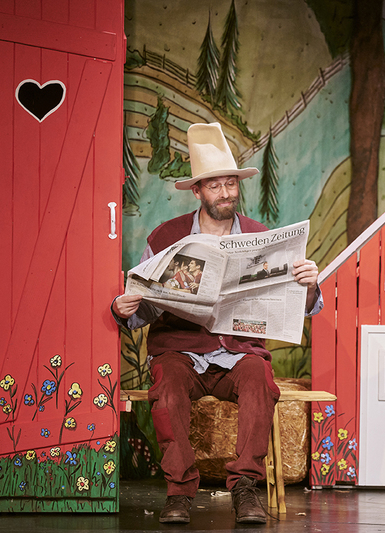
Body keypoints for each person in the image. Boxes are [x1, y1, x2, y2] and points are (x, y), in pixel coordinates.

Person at [111, 122, 322, 525]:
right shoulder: (166, 237)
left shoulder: (262, 237)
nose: (225, 193)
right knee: (167, 387)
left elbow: (300, 306)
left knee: (260, 378)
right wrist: (125, 308)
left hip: (237, 353)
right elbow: (143, 309)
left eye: (230, 184)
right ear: (197, 191)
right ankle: (178, 492)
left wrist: (310, 286)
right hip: (180, 352)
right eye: (214, 186)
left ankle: (245, 488)